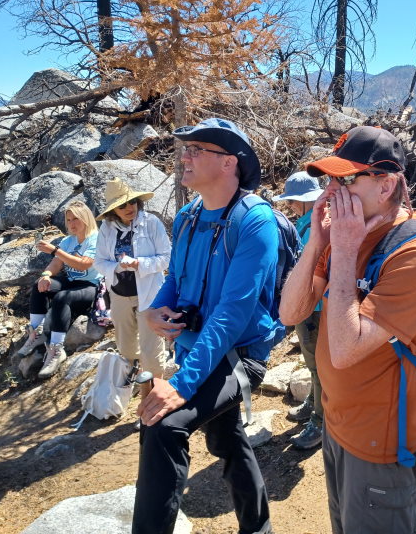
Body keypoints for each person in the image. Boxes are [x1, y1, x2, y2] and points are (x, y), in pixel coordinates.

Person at [280, 126, 416, 534]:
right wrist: (318, 242)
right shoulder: (347, 236)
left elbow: (344, 349)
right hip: (339, 427)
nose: (333, 191)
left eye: (346, 179)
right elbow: (290, 313)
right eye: (330, 180)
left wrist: (344, 247)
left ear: (387, 184)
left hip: (382, 444)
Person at [136, 117, 279, 534]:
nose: (185, 156)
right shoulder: (189, 215)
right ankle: (259, 528)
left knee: (163, 425)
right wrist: (155, 310)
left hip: (238, 357)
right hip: (197, 351)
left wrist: (180, 386)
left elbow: (233, 314)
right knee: (226, 439)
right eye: (185, 148)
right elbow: (176, 280)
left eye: (197, 150)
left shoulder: (256, 223)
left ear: (229, 163)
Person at [94, 178, 171, 404]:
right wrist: (119, 265)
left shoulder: (151, 223)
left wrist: (139, 264)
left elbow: (166, 258)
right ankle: (142, 377)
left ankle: (154, 397)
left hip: (150, 295)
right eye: (123, 206)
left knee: (152, 351)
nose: (129, 209)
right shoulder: (107, 229)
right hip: (119, 294)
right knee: (127, 348)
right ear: (113, 211)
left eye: (132, 203)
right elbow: (99, 262)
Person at [17, 200, 101, 379]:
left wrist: (55, 250)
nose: (72, 224)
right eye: (69, 220)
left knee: (62, 297)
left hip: (91, 286)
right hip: (71, 282)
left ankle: (56, 349)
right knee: (40, 285)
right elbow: (56, 264)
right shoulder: (67, 241)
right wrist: (46, 274)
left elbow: (83, 264)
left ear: (86, 218)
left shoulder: (96, 238)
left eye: (76, 219)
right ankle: (36, 333)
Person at [273, 171, 325, 450]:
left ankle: (320, 418)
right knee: (311, 361)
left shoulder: (318, 225)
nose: (291, 205)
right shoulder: (308, 222)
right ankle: (315, 403)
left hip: (315, 306)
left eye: (294, 200)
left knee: (317, 365)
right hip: (308, 304)